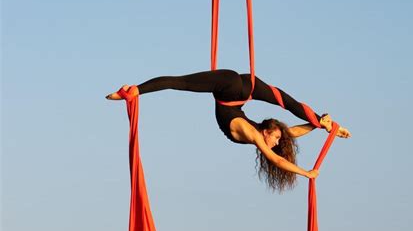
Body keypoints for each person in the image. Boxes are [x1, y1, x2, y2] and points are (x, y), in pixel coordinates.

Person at [106, 69, 351, 192]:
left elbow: (292, 132)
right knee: (181, 83)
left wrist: (321, 128)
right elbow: (275, 159)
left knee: (285, 101)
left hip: (248, 86)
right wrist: (306, 173)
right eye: (276, 138)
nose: (277, 142)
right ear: (268, 131)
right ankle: (134, 90)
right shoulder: (255, 134)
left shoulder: (259, 130)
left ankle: (321, 119)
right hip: (231, 87)